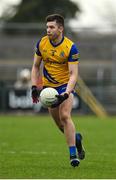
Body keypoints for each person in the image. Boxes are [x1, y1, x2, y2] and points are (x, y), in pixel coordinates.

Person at [31, 14, 85, 167]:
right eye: (47, 27)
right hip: (48, 87)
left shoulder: (70, 47)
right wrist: (34, 86)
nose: (48, 30)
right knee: (60, 125)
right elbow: (35, 66)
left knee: (65, 116)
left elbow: (74, 74)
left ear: (60, 28)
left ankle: (73, 155)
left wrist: (66, 93)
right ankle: (78, 139)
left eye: (51, 27)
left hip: (64, 85)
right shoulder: (42, 43)